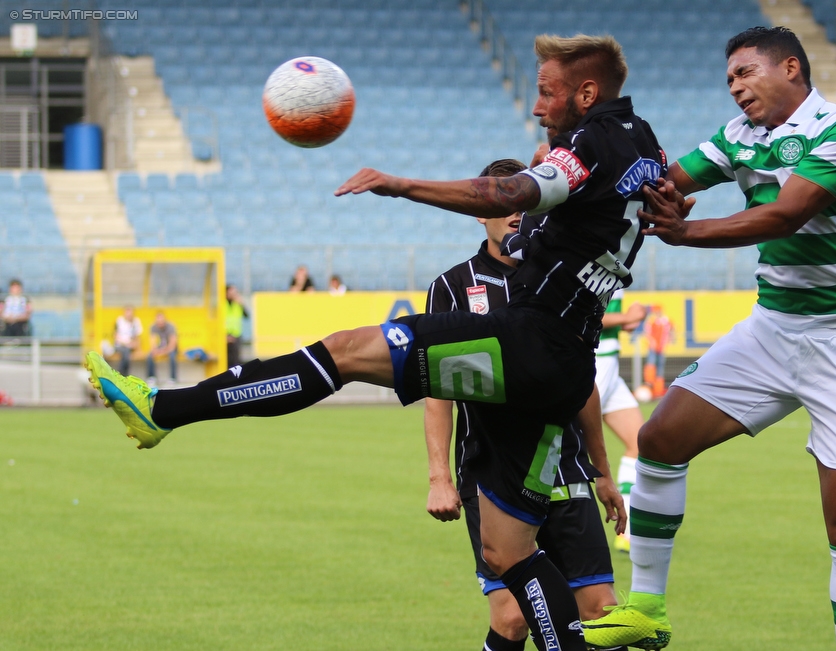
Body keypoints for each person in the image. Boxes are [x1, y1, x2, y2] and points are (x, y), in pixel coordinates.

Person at [84, 34, 665, 651]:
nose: (536, 106)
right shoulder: (642, 143)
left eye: (546, 93)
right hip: (566, 365)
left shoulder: (593, 143)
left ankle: (163, 410)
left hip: (528, 341)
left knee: (342, 352)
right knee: (506, 550)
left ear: (587, 92)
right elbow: (633, 196)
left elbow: (511, 193)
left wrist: (401, 185)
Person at [583, 26, 836, 651]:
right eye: (729, 79)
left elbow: (786, 213)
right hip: (772, 330)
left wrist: (686, 232)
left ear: (791, 68)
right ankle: (647, 609)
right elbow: (667, 182)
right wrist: (605, 182)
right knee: (659, 439)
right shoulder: (738, 137)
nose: (735, 88)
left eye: (746, 73)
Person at [426, 157, 623, 651]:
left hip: (565, 467)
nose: (516, 212)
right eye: (503, 201)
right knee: (513, 617)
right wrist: (438, 477)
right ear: (480, 211)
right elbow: (438, 389)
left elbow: (582, 381)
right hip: (490, 469)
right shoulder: (451, 287)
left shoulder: (561, 280)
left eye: (526, 199)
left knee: (600, 610)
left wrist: (602, 471)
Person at [595, 289, 646, 553]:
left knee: (639, 442)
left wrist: (626, 321)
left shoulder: (614, 262)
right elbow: (587, 314)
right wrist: (627, 315)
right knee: (570, 445)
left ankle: (626, 529)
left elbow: (606, 318)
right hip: (595, 363)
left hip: (610, 366)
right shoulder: (589, 259)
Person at [643, 304, 672, 388]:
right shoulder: (652, 320)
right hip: (652, 348)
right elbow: (647, 333)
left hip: (661, 347)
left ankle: (658, 387)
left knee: (660, 367)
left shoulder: (665, 321)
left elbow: (669, 332)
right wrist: (652, 342)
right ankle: (649, 384)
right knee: (651, 364)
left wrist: (667, 342)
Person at [146, 311, 179, 385]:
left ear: (165, 320)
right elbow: (153, 343)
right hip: (160, 347)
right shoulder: (153, 327)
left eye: (161, 321)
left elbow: (172, 345)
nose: (160, 323)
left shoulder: (171, 326)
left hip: (171, 348)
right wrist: (156, 350)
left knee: (172, 355)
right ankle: (151, 377)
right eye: (158, 322)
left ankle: (173, 378)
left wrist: (163, 351)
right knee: (150, 355)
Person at [113, 306, 143, 376]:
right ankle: (123, 374)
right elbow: (116, 336)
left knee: (126, 352)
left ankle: (120, 374)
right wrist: (126, 343)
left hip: (130, 346)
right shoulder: (119, 321)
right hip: (120, 345)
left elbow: (137, 337)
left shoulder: (136, 322)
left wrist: (134, 345)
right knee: (125, 352)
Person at [226, 284, 249, 370]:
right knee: (226, 360)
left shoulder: (238, 304)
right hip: (225, 335)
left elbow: (246, 316)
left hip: (236, 335)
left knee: (236, 361)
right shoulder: (222, 303)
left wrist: (242, 304)